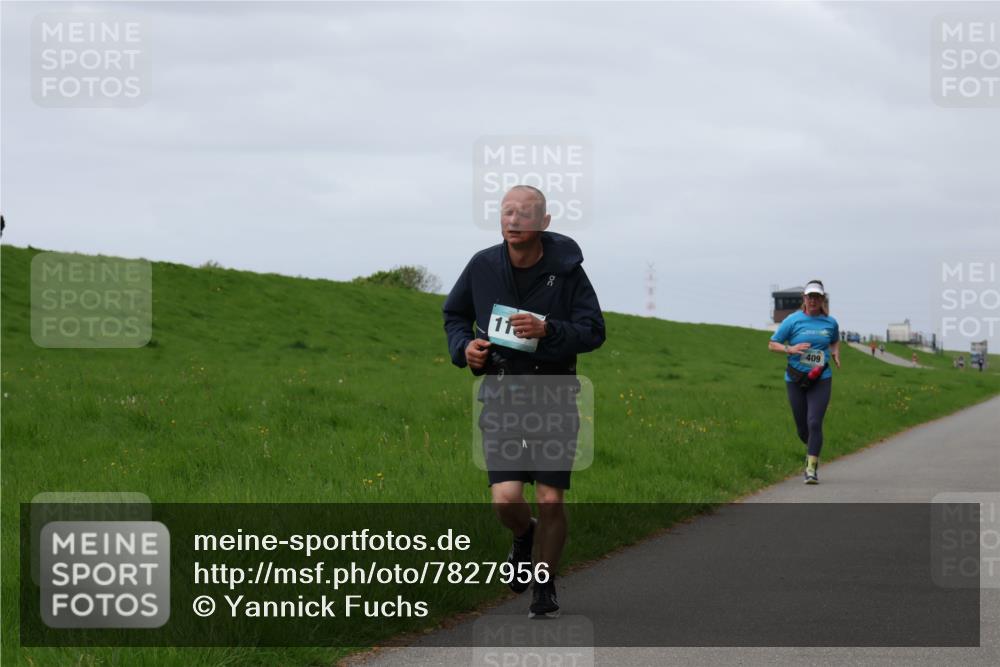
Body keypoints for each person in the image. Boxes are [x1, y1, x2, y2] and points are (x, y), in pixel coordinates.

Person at [443, 185, 605, 618]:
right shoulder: (481, 266)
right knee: (506, 499)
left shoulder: (568, 270)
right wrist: (465, 350)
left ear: (544, 222)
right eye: (507, 211)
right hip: (501, 393)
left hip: (554, 394)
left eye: (525, 213)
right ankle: (524, 536)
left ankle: (543, 585)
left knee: (552, 498)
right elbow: (455, 316)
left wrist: (548, 330)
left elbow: (593, 331)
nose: (514, 219)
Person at [768, 280, 841, 484]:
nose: (813, 300)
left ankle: (811, 468)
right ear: (804, 299)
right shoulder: (792, 320)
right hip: (795, 378)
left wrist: (835, 352)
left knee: (814, 422)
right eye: (810, 296)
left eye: (817, 297)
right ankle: (812, 450)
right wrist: (789, 349)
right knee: (803, 429)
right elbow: (772, 344)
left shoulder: (830, 323)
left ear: (822, 299)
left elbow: (834, 339)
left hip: (821, 378)